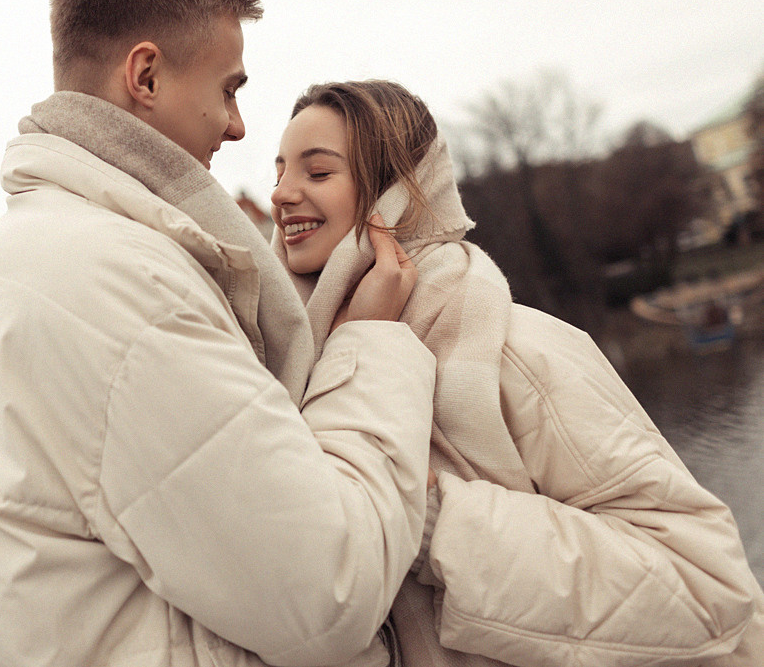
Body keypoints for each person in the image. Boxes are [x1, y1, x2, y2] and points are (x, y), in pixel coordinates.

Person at [0, 0, 438, 666]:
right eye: (228, 88)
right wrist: (369, 345)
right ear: (146, 76)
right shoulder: (121, 282)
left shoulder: (22, 249)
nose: (237, 124)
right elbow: (328, 591)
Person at [270, 79, 764, 667]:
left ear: (393, 196)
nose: (280, 195)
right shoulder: (286, 372)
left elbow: (705, 586)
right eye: (278, 173)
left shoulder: (518, 351)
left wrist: (425, 519)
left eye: (317, 173)